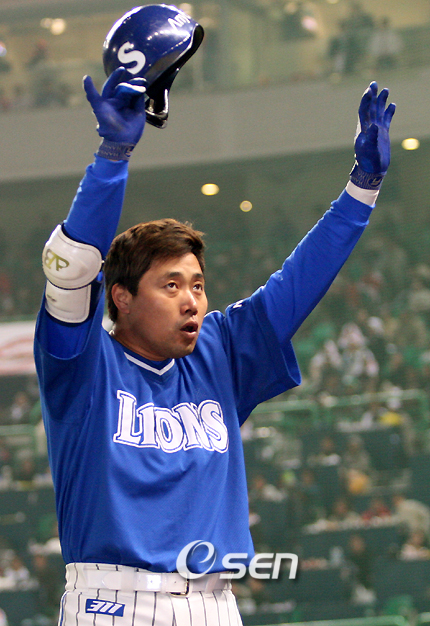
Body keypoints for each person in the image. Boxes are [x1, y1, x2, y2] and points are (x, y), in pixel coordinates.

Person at [33, 61, 395, 626]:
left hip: (215, 603)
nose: (192, 301)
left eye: (198, 285)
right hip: (113, 603)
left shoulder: (218, 351)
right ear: (121, 296)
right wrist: (112, 156)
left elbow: (297, 284)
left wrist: (362, 188)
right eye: (171, 285)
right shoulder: (81, 362)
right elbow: (72, 266)